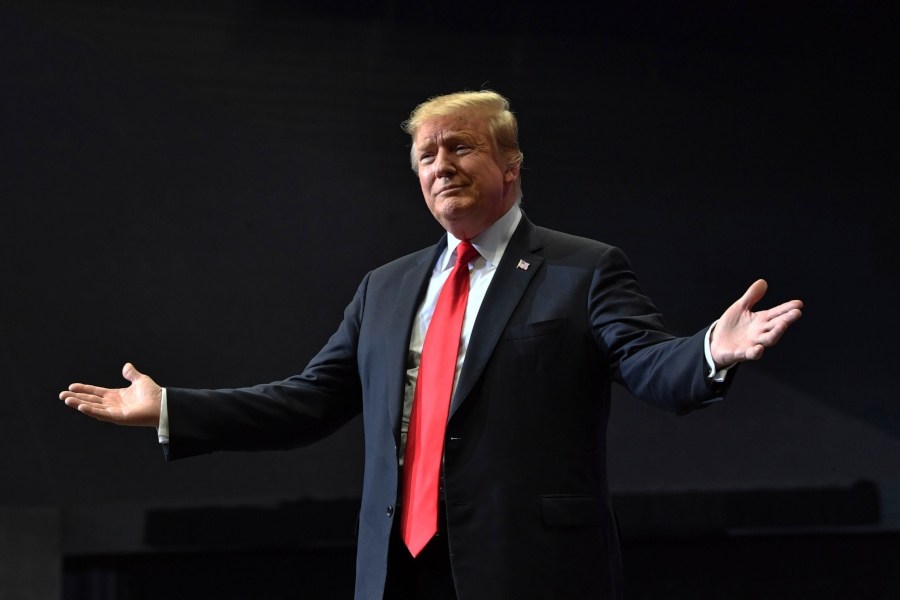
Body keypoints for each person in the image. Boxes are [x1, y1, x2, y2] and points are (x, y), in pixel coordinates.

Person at [60, 90, 803, 599]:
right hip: (396, 572)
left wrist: (710, 348)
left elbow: (646, 362)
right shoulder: (385, 288)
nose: (440, 164)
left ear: (511, 166)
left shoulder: (582, 269)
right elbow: (311, 400)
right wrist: (171, 411)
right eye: (425, 156)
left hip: (528, 572)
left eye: (460, 147)